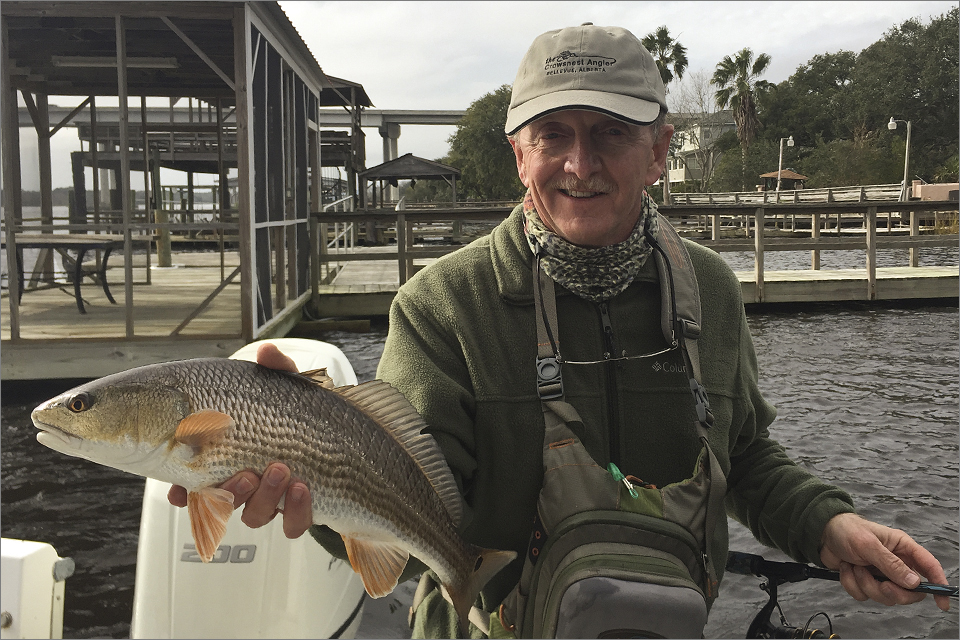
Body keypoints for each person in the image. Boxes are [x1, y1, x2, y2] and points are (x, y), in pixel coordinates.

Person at [169, 22, 950, 638]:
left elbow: (741, 455)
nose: (580, 164)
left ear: (658, 150)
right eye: (553, 136)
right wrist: (306, 468)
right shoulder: (445, 304)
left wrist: (828, 524)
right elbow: (409, 495)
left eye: (610, 132)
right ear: (519, 156)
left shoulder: (708, 286)